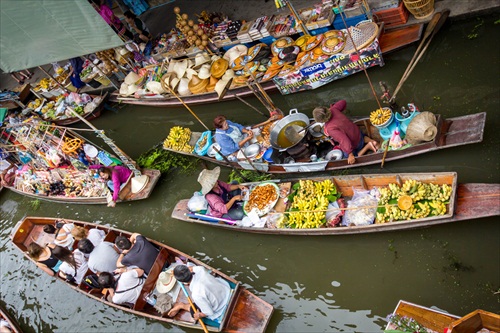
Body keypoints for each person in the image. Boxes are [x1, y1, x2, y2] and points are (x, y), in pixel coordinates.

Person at [312, 100, 379, 165]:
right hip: (357, 132)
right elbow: (343, 102)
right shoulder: (334, 109)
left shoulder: (330, 128)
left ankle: (368, 146)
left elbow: (343, 139)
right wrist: (332, 107)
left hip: (354, 143)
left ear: (321, 120)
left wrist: (350, 154)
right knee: (360, 136)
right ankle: (372, 141)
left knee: (350, 157)